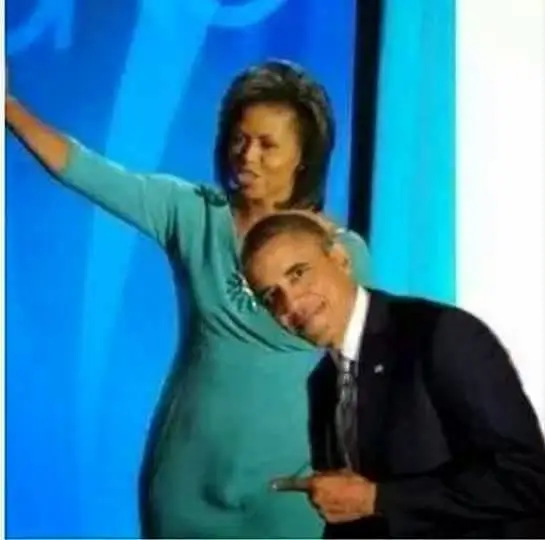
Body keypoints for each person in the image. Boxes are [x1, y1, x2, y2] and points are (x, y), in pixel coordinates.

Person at [5, 61, 372, 538]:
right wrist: (8, 107)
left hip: (289, 496)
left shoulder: (342, 255)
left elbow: (369, 378)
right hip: (185, 486)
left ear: (304, 156)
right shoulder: (191, 214)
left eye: (267, 145)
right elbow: (88, 171)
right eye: (239, 139)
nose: (247, 156)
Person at [241, 211, 545, 539]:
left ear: (340, 259)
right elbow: (354, 521)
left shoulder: (441, 335)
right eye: (271, 296)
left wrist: (378, 499)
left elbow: (527, 479)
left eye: (298, 274)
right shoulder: (322, 383)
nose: (290, 304)